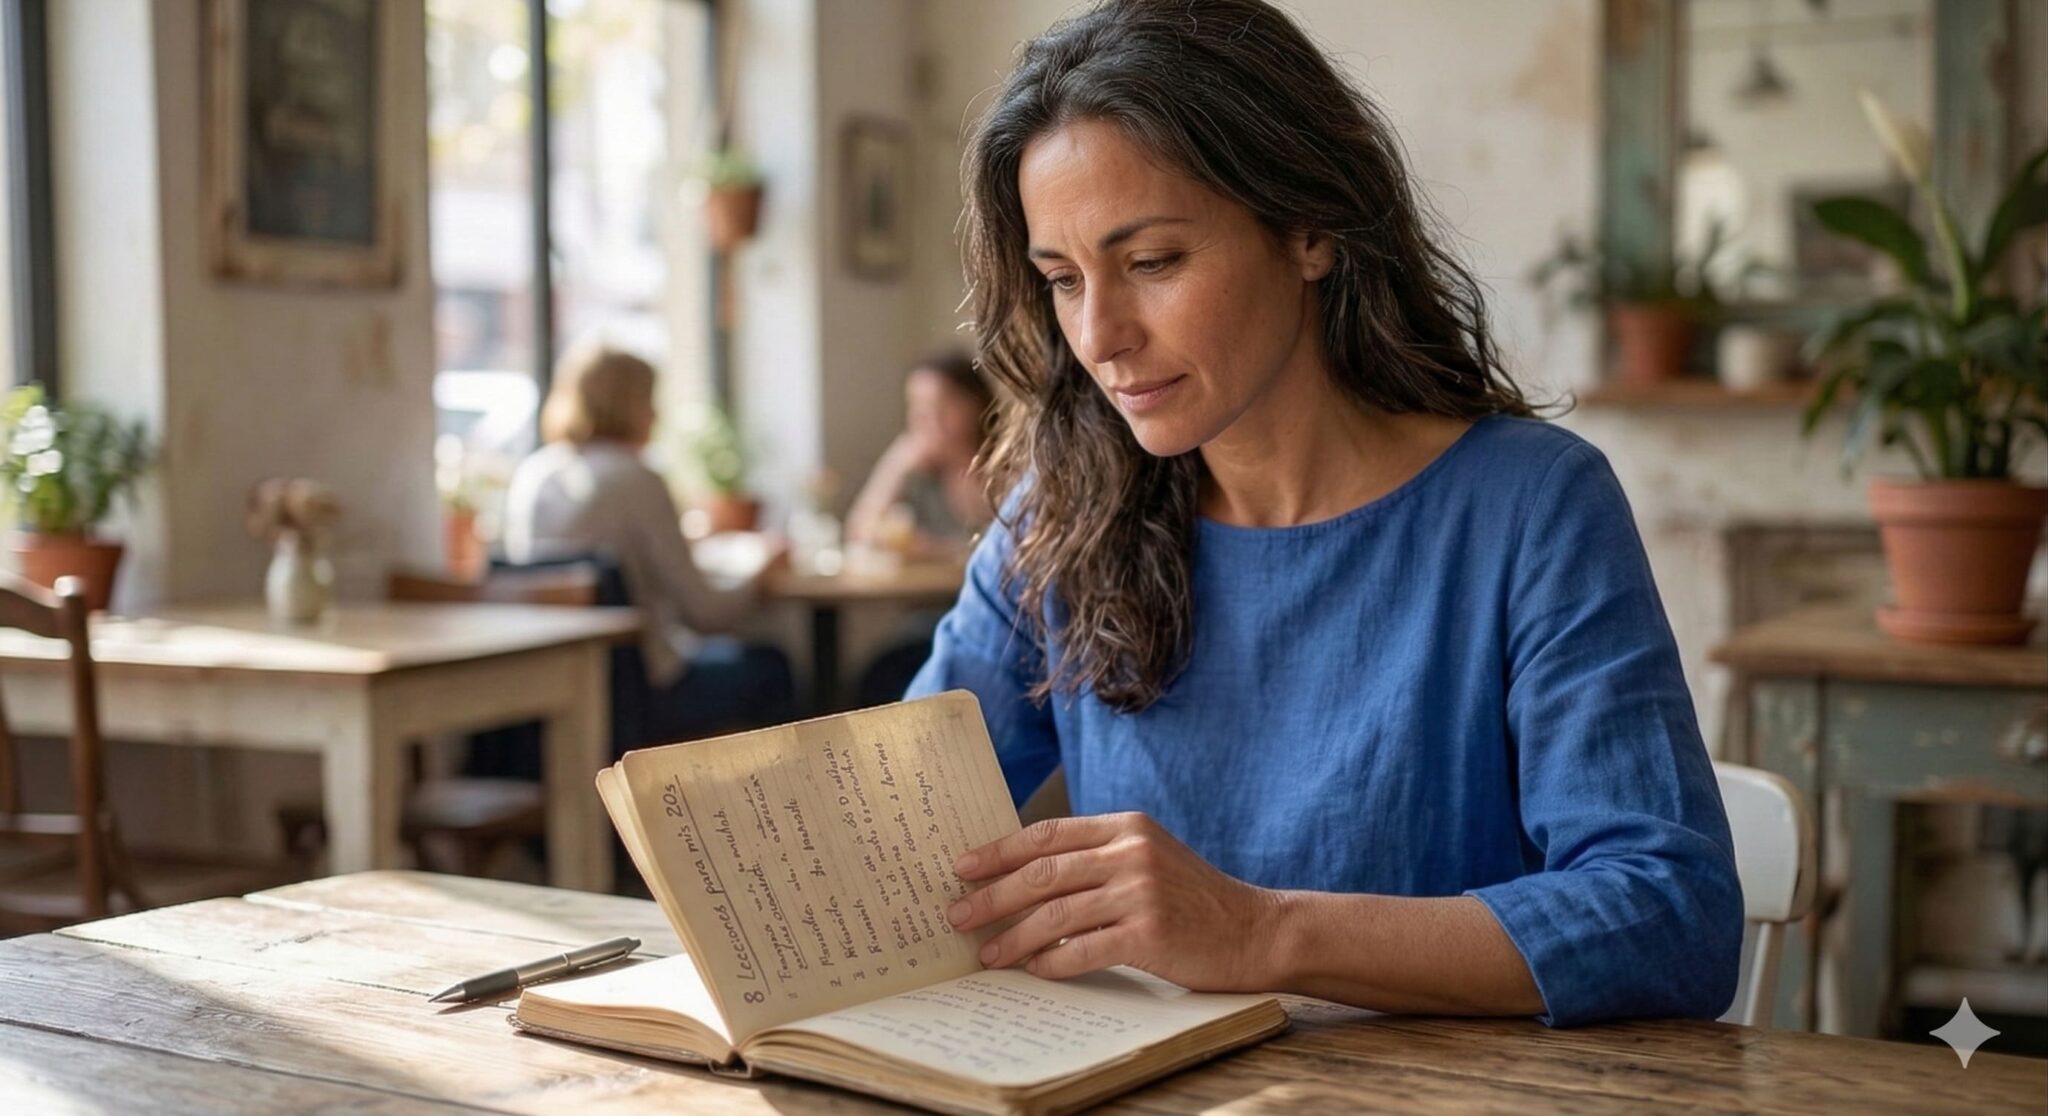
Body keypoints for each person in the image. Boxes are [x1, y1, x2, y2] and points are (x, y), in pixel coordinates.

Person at [909, 0, 1742, 1027]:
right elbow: (897, 826)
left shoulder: (1530, 507)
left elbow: (1670, 914)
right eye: (1061, 280)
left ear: (1307, 230)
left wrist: (1256, 932)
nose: (1100, 334)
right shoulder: (1062, 517)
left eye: (1152, 262)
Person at [504, 344, 796, 752]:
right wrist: (760, 574)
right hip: (643, 694)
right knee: (773, 666)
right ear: (630, 405)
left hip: (559, 695)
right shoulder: (637, 478)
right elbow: (706, 613)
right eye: (649, 401)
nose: (656, 415)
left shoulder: (533, 476)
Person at [846, 349, 996, 558]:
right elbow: (859, 532)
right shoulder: (915, 467)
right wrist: (895, 465)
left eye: (941, 405)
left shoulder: (1005, 463)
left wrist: (937, 550)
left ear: (976, 403)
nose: (929, 418)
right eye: (918, 406)